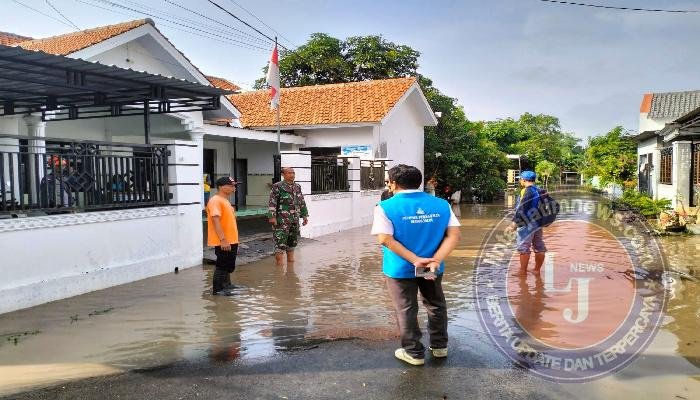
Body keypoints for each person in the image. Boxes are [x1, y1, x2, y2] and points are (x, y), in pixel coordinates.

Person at [371, 164, 461, 366]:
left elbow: (385, 239)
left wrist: (414, 260)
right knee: (435, 304)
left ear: (394, 183)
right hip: (431, 266)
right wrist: (436, 259)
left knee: (406, 308)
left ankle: (413, 352)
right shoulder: (441, 204)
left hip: (400, 269)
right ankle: (439, 346)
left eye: (388, 182)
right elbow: (454, 236)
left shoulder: (384, 207)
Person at [505, 170, 547, 275]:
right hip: (538, 222)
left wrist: (514, 224)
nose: (520, 181)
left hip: (526, 223)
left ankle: (522, 272)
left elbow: (522, 208)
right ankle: (536, 270)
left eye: (520, 179)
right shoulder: (540, 190)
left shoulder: (526, 191)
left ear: (523, 180)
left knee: (523, 247)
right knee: (539, 246)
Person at [206, 176, 241, 296]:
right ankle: (218, 290)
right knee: (222, 265)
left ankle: (227, 285)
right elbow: (216, 221)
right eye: (231, 185)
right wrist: (223, 239)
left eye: (234, 185)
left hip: (231, 239)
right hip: (223, 240)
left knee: (228, 264)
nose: (234, 188)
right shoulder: (215, 200)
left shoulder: (225, 200)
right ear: (221, 187)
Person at [268, 167, 309, 266]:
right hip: (281, 220)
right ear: (283, 175)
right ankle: (279, 268)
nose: (292, 175)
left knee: (292, 242)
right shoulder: (277, 186)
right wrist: (272, 217)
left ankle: (291, 266)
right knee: (280, 243)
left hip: (294, 219)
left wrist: (304, 215)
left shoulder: (297, 186)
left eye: (293, 173)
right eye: (289, 173)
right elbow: (272, 202)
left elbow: (301, 201)